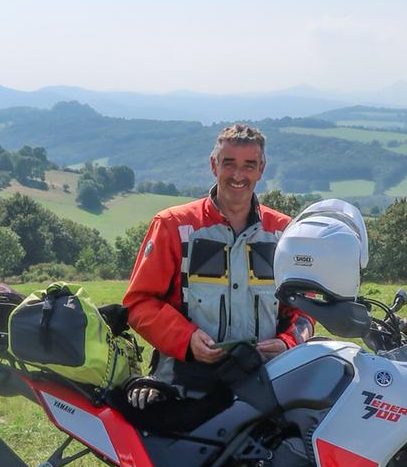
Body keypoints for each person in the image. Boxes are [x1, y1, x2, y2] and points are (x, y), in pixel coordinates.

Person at [122, 123, 313, 400]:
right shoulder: (173, 225)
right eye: (229, 163)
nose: (238, 175)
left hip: (264, 381)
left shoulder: (284, 233)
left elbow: (305, 309)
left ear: (261, 169)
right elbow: (139, 304)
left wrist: (288, 342)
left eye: (249, 165)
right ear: (214, 165)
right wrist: (186, 338)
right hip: (184, 381)